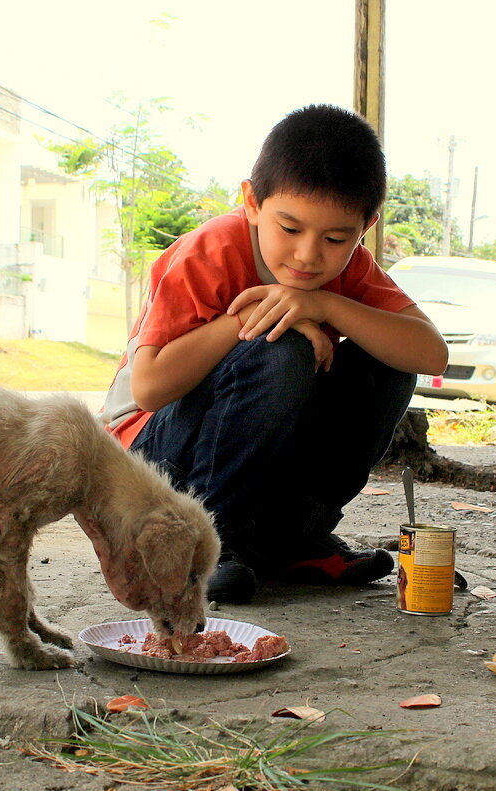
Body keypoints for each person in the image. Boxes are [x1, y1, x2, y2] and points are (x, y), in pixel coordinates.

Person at [98, 104, 448, 603]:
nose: (309, 254)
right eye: (290, 228)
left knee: (387, 364)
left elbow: (430, 354)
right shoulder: (210, 252)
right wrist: (246, 320)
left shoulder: (347, 270)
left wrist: (322, 303)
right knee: (278, 346)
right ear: (252, 201)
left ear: (365, 227)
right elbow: (149, 388)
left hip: (250, 468)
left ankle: (291, 538)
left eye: (335, 238)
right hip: (150, 466)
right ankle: (199, 547)